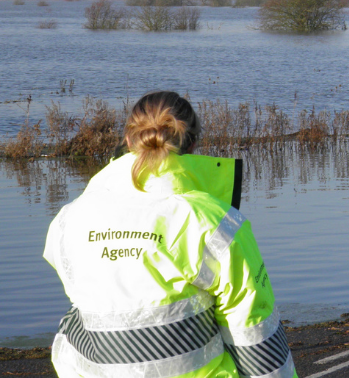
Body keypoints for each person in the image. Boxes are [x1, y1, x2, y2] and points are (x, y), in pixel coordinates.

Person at [43, 91, 297, 378]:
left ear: (128, 140)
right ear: (193, 144)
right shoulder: (213, 222)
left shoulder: (70, 218)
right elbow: (252, 329)